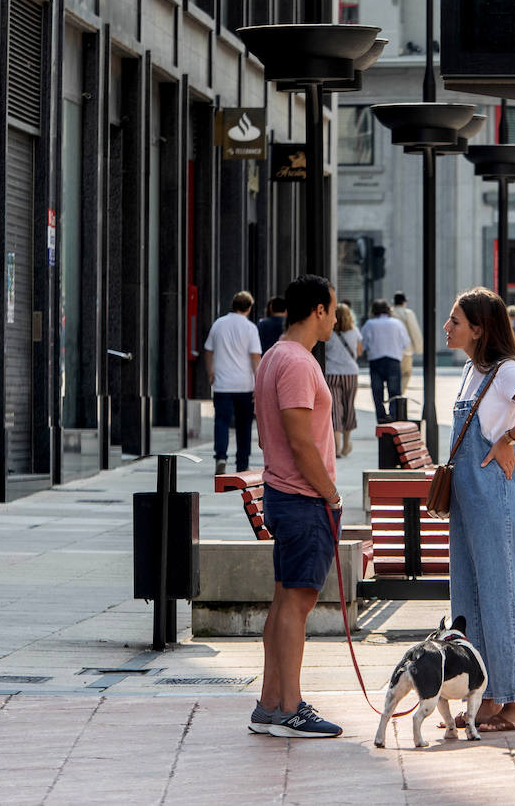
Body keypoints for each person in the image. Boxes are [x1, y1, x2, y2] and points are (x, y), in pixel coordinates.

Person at [442, 287, 515, 732]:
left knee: (501, 595)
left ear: (478, 328)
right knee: (470, 597)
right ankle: (485, 697)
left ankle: (513, 704)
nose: (447, 328)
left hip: (493, 493)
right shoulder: (474, 371)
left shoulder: (506, 371)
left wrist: (510, 439)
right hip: (468, 497)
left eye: (455, 321)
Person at [248, 274, 344, 739]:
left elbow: (271, 434)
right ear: (318, 310)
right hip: (303, 499)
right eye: (333, 308)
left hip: (284, 494)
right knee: (297, 606)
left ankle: (269, 704)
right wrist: (330, 493)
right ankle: (290, 707)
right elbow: (300, 440)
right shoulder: (297, 362)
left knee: (285, 600)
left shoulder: (274, 357)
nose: (337, 317)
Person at [204, 290, 262, 476]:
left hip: (222, 384)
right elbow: (255, 357)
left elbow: (208, 351)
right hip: (244, 385)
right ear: (249, 308)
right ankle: (242, 463)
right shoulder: (250, 328)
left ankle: (221, 457)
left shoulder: (218, 324)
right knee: (244, 425)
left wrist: (210, 372)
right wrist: (258, 382)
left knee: (221, 421)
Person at [360, 299, 412, 423]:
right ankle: (394, 417)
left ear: (373, 311)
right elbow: (406, 343)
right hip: (393, 360)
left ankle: (381, 417)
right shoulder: (397, 323)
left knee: (377, 392)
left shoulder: (369, 324)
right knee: (394, 392)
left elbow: (363, 344)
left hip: (376, 361)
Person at [324, 303, 363, 459]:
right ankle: (347, 443)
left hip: (331, 373)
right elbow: (359, 351)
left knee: (334, 409)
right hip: (350, 373)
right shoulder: (354, 332)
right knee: (348, 406)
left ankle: (336, 447)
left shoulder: (328, 334)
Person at [391, 292, 425, 395]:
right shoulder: (407, 313)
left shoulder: (389, 313)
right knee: (406, 373)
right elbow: (414, 331)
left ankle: (393, 396)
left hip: (391, 350)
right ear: (404, 302)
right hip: (405, 350)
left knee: (393, 376)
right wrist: (419, 348)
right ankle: (399, 396)